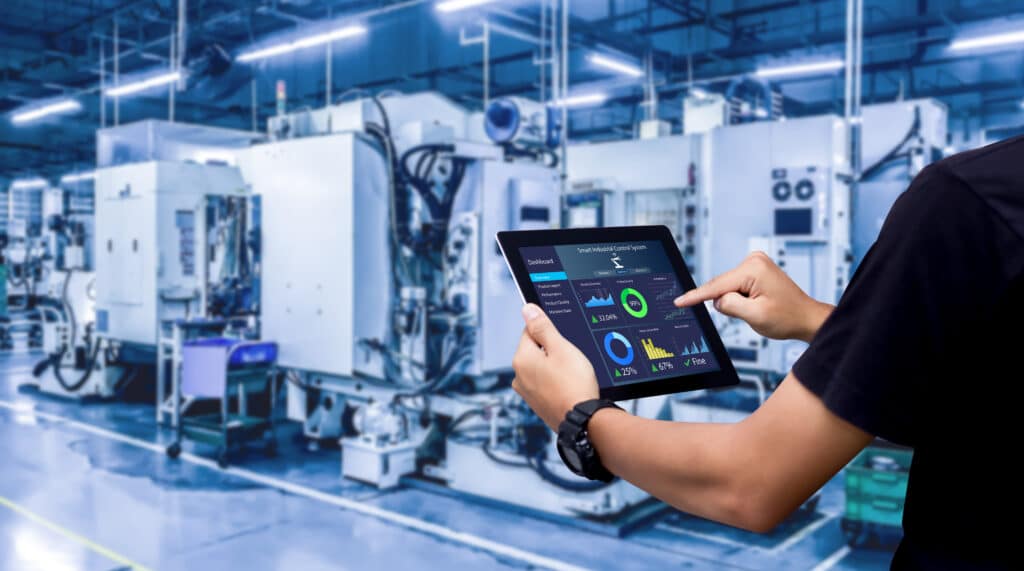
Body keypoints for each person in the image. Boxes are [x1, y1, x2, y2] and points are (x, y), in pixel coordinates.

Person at [511, 136, 1023, 570]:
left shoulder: (968, 198)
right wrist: (816, 320)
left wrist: (578, 416)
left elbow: (749, 483)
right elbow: (982, 393)